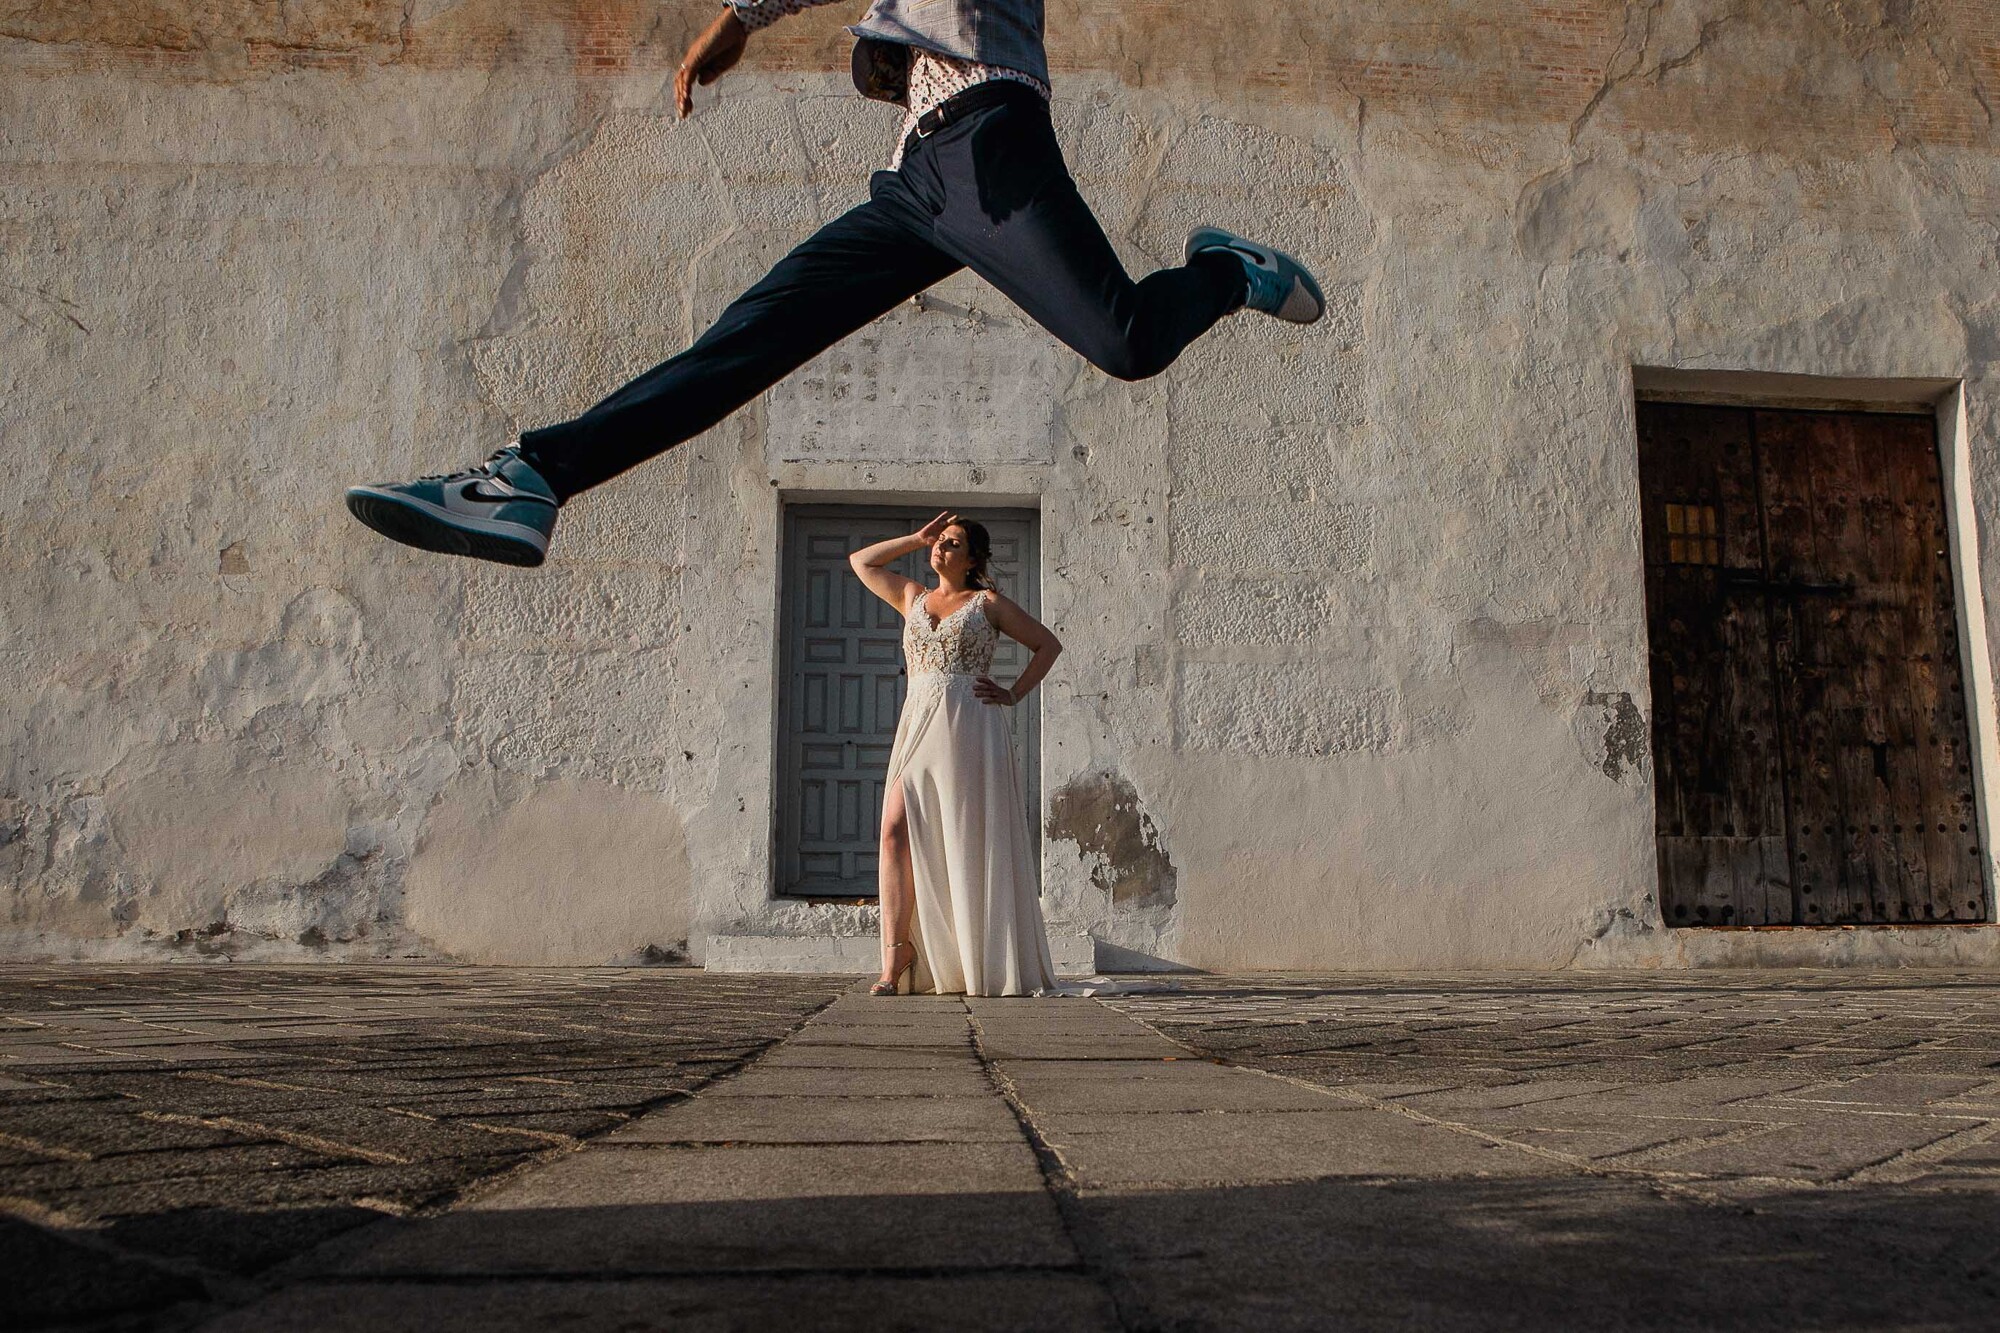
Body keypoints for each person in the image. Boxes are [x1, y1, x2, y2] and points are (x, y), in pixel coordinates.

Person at [342, 0, 1326, 566]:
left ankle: (1220, 273)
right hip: (920, 183)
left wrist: (733, 20)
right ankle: (530, 478)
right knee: (741, 345)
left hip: (988, 136)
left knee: (1126, 341)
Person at [848, 512, 1061, 996]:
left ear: (973, 559)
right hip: (919, 722)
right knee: (893, 831)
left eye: (952, 543)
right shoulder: (911, 597)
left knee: (965, 836)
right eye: (939, 542)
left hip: (969, 726)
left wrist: (1012, 694)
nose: (940, 549)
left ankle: (974, 953)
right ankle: (895, 953)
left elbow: (1047, 645)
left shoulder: (986, 603)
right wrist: (913, 538)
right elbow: (861, 561)